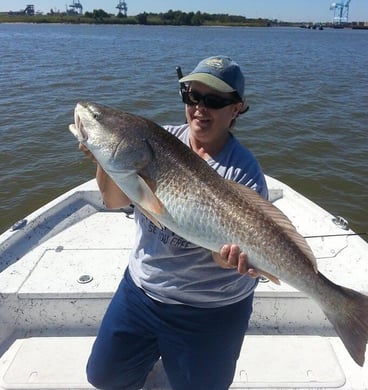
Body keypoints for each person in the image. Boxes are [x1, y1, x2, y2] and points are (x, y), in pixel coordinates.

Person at [84, 55, 268, 390]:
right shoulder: (157, 141)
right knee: (102, 376)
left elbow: (221, 257)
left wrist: (232, 259)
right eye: (192, 97)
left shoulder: (243, 173)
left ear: (237, 109)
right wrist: (104, 160)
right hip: (143, 290)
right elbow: (114, 200)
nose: (200, 108)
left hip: (210, 308)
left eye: (214, 100)